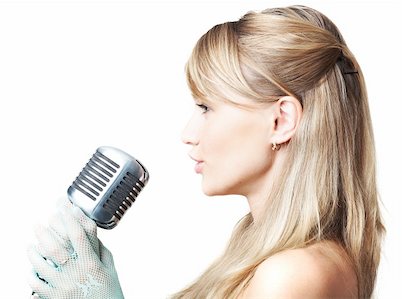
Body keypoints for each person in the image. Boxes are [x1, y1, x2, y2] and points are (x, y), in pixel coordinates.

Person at [27, 5, 385, 298]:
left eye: (206, 107)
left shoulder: (292, 275)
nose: (188, 134)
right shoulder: (260, 252)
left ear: (281, 120)